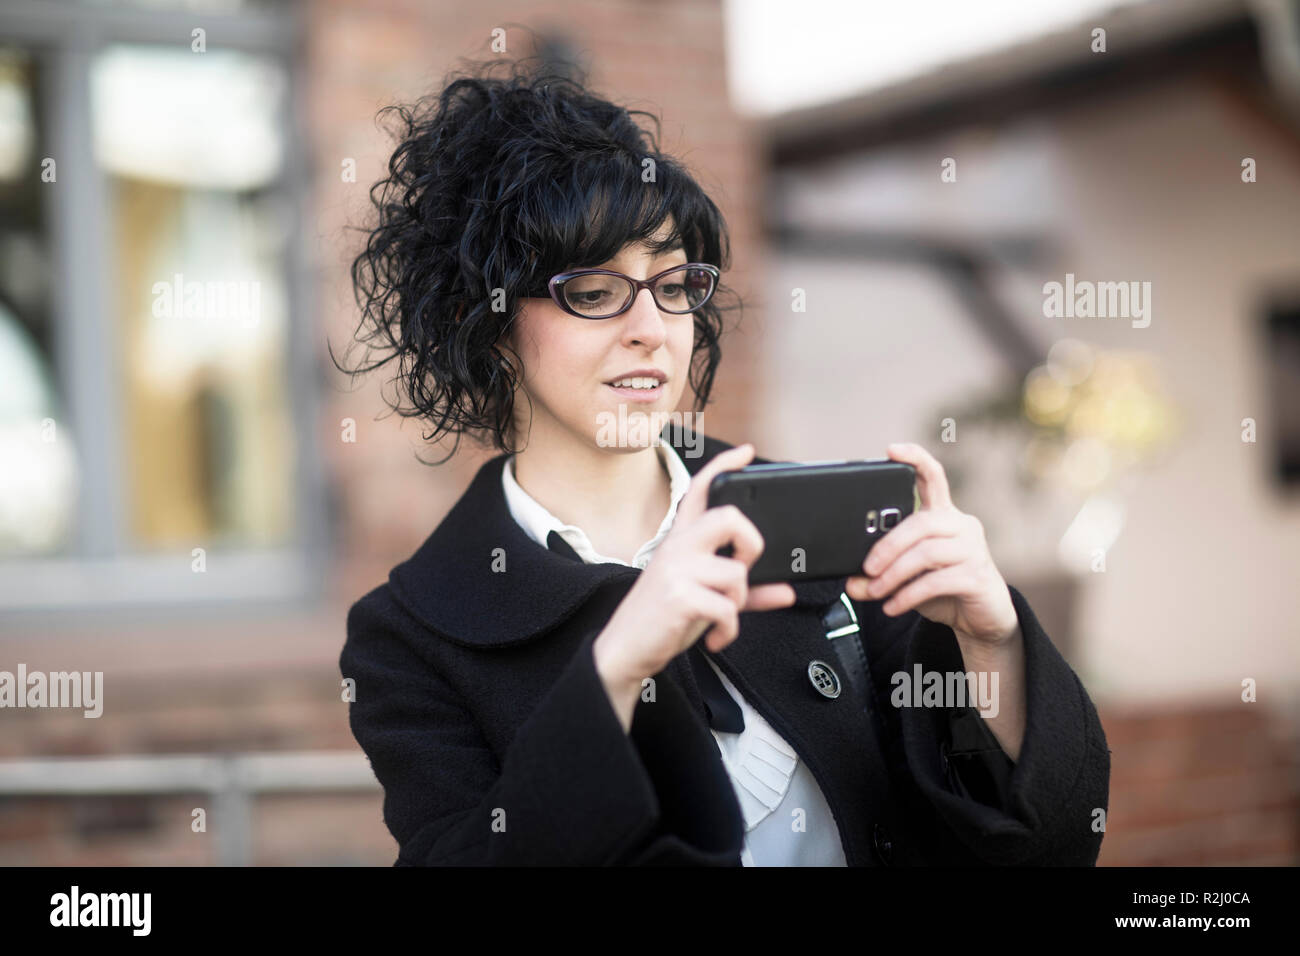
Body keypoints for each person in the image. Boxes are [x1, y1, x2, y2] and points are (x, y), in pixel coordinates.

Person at [335, 55, 1110, 866]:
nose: (650, 327)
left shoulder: (811, 520)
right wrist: (617, 668)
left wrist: (993, 645)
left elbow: (1049, 847)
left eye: (674, 285)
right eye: (594, 291)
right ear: (484, 323)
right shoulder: (410, 634)